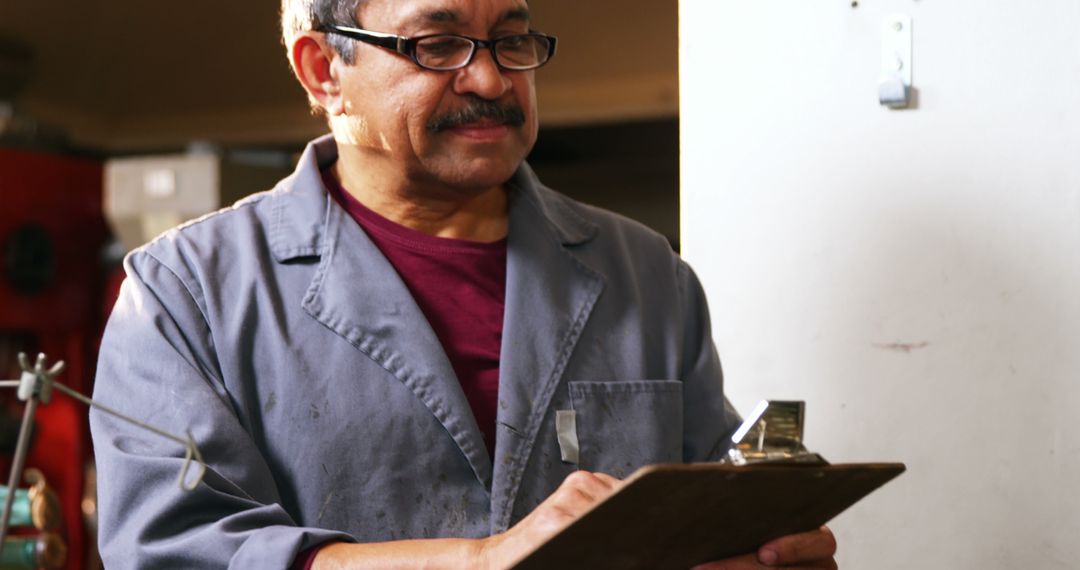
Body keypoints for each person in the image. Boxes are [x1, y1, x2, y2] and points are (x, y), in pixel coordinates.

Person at [89, 0, 839, 568]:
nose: (490, 78)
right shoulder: (183, 296)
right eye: (438, 44)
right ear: (323, 70)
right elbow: (175, 554)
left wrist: (763, 546)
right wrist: (482, 560)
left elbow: (707, 508)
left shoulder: (646, 274)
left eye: (510, 39)